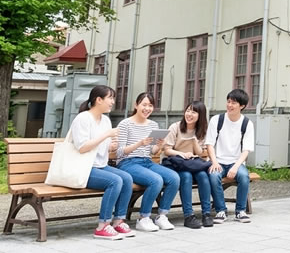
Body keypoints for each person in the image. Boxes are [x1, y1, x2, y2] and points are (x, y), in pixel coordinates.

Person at [69, 85, 136, 240]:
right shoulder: (83, 118)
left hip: (100, 166)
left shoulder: (105, 120)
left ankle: (118, 221)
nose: (113, 102)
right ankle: (102, 226)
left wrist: (110, 146)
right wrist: (106, 135)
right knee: (115, 181)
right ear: (98, 100)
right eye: (110, 98)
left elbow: (102, 147)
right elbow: (82, 147)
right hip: (83, 168)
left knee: (126, 178)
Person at [116, 92, 180, 231]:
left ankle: (162, 216)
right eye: (144, 105)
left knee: (174, 178)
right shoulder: (125, 124)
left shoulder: (153, 125)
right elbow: (120, 152)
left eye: (150, 105)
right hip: (128, 163)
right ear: (136, 105)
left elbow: (153, 152)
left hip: (147, 162)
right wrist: (140, 143)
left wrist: (160, 145)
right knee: (156, 180)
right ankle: (143, 218)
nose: (147, 108)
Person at [206, 88, 254, 223]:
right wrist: (214, 162)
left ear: (242, 106)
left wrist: (236, 167)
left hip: (236, 162)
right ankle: (221, 211)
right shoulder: (217, 120)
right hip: (218, 161)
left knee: (244, 177)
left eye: (233, 103)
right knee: (214, 176)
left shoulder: (247, 124)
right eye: (228, 102)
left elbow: (246, 149)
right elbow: (209, 144)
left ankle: (240, 211)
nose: (229, 105)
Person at [163, 101, 213, 229]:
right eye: (188, 110)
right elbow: (167, 150)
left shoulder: (201, 130)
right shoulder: (175, 127)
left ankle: (206, 213)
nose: (189, 114)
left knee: (203, 175)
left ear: (200, 115)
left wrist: (194, 140)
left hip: (192, 164)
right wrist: (181, 154)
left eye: (194, 112)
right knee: (186, 176)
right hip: (176, 163)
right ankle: (188, 215)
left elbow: (200, 153)